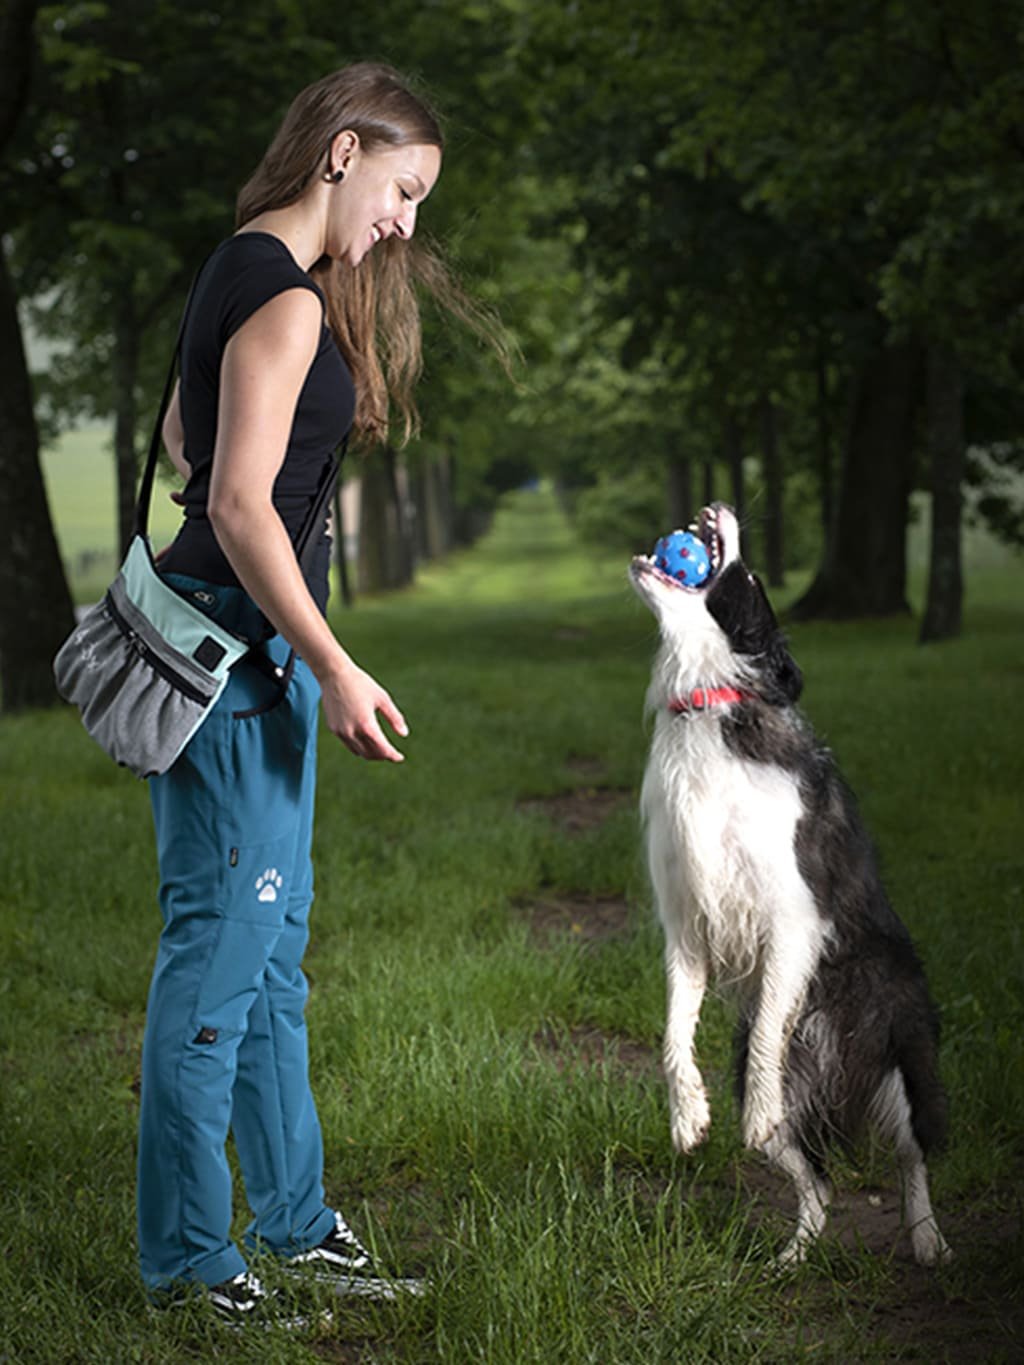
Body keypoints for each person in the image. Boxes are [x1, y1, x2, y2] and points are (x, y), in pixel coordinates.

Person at [139, 62, 449, 1321]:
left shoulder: (241, 267)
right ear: (341, 152)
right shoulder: (286, 299)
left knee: (268, 965)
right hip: (240, 665)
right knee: (219, 961)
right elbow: (227, 496)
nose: (406, 222)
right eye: (403, 187)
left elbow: (178, 436)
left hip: (235, 644)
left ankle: (296, 1223)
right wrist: (331, 659)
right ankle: (185, 1261)